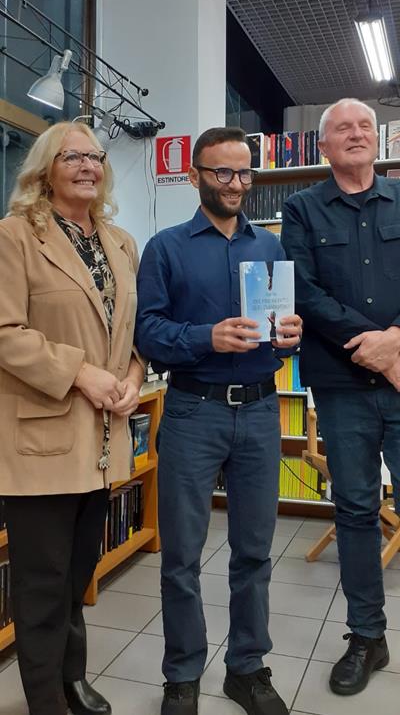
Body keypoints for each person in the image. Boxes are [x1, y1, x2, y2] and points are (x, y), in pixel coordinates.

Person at [135, 126, 302, 715]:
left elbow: (281, 337)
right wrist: (207, 337)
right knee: (181, 556)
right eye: (224, 173)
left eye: (245, 173)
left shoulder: (269, 248)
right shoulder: (166, 248)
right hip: (191, 411)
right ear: (195, 176)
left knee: (254, 552)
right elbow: (147, 333)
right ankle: (181, 676)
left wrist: (289, 339)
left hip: (259, 411)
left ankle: (246, 669)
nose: (237, 184)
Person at [0, 121, 145, 715]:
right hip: (42, 442)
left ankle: (71, 678)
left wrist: (134, 378)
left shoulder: (120, 241)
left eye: (96, 156)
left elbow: (131, 333)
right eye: (73, 156)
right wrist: (82, 373)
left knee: (78, 573)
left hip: (104, 441)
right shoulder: (13, 237)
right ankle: (45, 702)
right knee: (40, 585)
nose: (88, 166)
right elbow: (5, 332)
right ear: (45, 167)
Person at [281, 98, 400, 697]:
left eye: (363, 127)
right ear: (322, 146)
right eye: (341, 130)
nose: (355, 135)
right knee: (355, 510)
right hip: (343, 387)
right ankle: (366, 638)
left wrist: (396, 342)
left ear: (375, 141)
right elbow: (303, 289)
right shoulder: (300, 209)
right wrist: (373, 346)